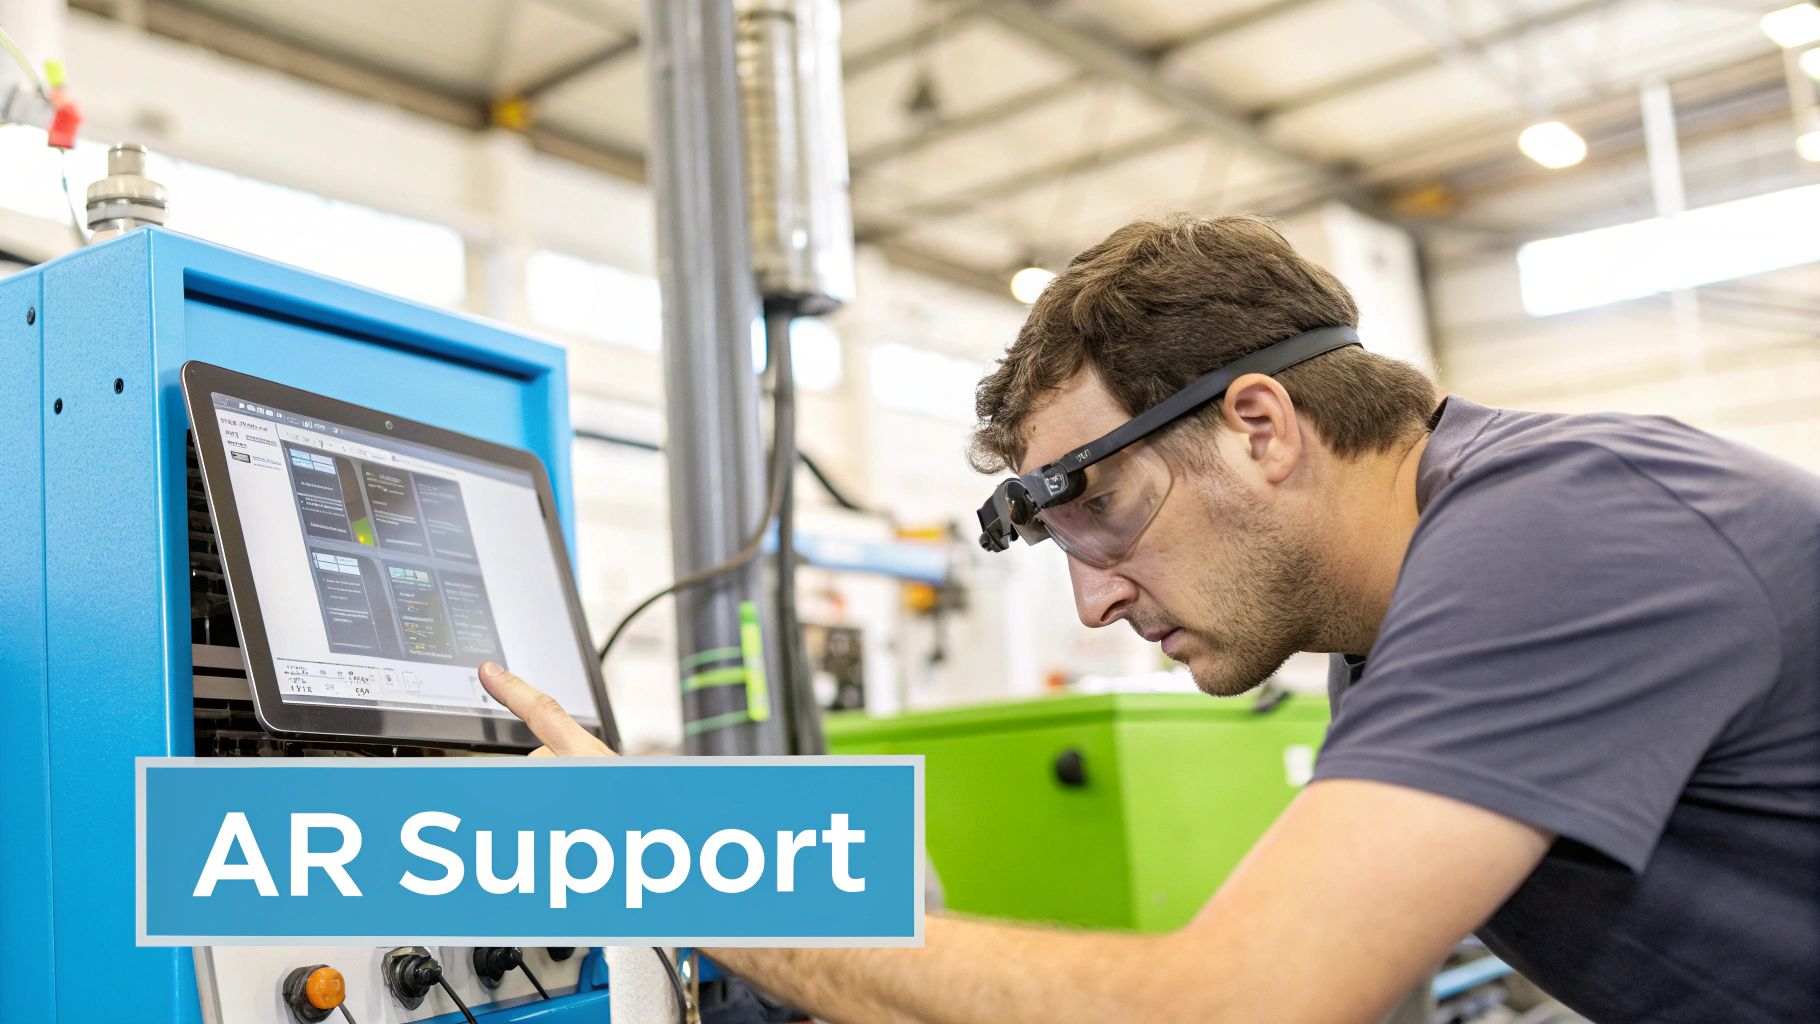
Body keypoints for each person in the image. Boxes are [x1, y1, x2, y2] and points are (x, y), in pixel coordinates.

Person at [479, 215, 1820, 1023]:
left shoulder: (1570, 529)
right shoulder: (1397, 628)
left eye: (1107, 515)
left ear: (1258, 425)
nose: (1095, 598)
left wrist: (650, 852)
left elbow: (1230, 1004)